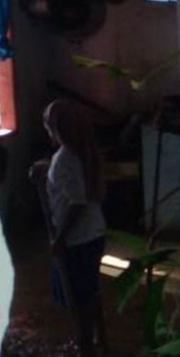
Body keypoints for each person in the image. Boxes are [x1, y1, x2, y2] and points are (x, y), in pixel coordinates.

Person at [41, 99, 108, 357]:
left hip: (77, 239)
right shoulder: (80, 153)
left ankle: (85, 345)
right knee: (89, 293)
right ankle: (94, 339)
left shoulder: (63, 160)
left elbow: (76, 203)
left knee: (77, 299)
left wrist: (60, 238)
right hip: (93, 234)